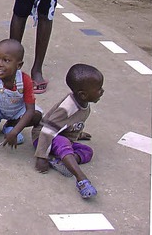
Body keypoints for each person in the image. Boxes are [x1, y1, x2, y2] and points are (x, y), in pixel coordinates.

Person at [33, 64, 104, 199]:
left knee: (87, 151)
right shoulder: (67, 107)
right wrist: (41, 156)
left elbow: (70, 124)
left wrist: (78, 134)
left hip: (61, 138)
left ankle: (60, 161)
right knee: (64, 142)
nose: (102, 91)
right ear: (83, 94)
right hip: (42, 138)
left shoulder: (84, 103)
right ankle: (81, 179)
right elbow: (47, 130)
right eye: (99, 89)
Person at [0, 39, 42, 160]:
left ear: (19, 65)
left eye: (6, 60)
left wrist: (15, 131)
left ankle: (11, 126)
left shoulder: (25, 81)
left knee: (37, 115)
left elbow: (30, 110)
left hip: (16, 111)